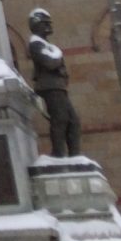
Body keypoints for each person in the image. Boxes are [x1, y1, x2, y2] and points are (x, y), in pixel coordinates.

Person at [28, 8, 82, 158]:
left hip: (58, 87)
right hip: (49, 87)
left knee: (73, 122)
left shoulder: (46, 45)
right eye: (45, 23)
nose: (49, 27)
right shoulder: (36, 44)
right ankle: (58, 154)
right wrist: (58, 57)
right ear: (36, 25)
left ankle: (75, 156)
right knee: (60, 119)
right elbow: (49, 63)